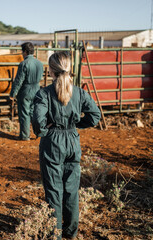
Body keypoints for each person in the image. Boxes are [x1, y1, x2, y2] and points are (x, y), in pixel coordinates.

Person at [32, 52, 101, 239]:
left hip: (52, 142)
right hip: (72, 140)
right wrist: (75, 125)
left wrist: (45, 132)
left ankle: (55, 234)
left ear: (51, 71)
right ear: (70, 68)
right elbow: (95, 116)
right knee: (71, 190)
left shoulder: (44, 93)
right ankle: (71, 233)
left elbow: (38, 122)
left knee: (54, 190)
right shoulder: (79, 92)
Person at [10, 42, 44, 141]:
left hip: (25, 90)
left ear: (25, 51)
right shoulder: (39, 63)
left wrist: (13, 93)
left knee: (24, 113)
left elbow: (19, 80)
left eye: (22, 51)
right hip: (36, 89)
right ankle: (39, 132)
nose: (22, 53)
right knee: (34, 112)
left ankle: (25, 136)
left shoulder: (23, 64)